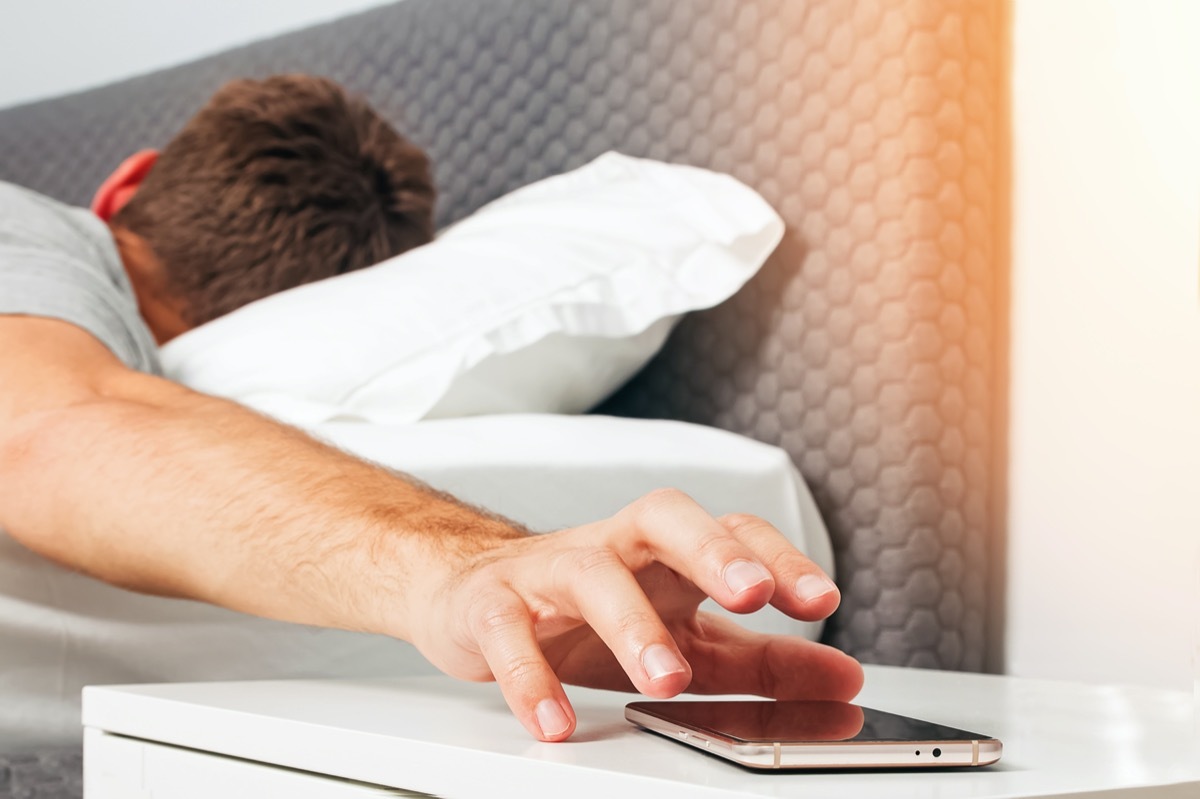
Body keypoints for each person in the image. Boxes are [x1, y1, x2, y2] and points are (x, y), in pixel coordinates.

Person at [0, 74, 863, 743]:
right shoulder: (30, 234)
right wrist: (464, 564)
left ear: (127, 181)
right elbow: (51, 424)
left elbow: (59, 423)